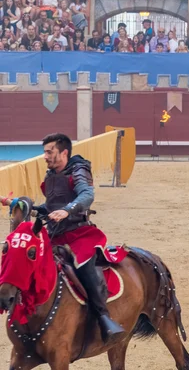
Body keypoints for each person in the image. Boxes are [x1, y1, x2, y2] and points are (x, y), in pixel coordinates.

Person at [35, 133, 125, 344]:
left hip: (79, 233)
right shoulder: (50, 176)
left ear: (63, 152)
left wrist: (67, 210)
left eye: (49, 152)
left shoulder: (78, 171)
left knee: (83, 264)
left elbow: (86, 195)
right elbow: (49, 208)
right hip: (55, 234)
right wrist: (21, 204)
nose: (45, 156)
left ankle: (104, 318)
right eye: (45, 152)